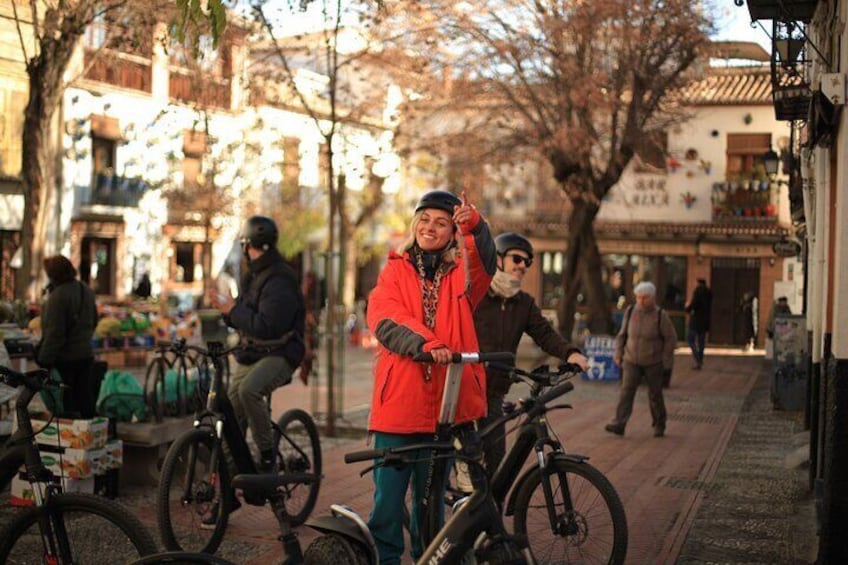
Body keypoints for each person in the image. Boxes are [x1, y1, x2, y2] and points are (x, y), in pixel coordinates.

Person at [365, 189, 495, 564]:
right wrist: (428, 344)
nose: (430, 227)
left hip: (442, 411)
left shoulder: (462, 278)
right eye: (424, 219)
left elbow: (484, 260)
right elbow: (385, 318)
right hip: (397, 409)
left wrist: (473, 226)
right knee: (387, 506)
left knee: (430, 509)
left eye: (441, 222)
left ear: (451, 233)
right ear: (413, 224)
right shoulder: (394, 270)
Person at [473, 232, 588, 476]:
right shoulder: (477, 295)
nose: (523, 266)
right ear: (499, 259)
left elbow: (544, 333)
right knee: (465, 456)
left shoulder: (523, 303)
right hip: (466, 387)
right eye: (517, 259)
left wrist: (571, 354)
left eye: (528, 262)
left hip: (494, 391)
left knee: (495, 458)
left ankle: (489, 509)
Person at [207, 215, 305, 476]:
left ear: (249, 245)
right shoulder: (257, 274)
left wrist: (233, 309)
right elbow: (248, 317)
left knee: (250, 390)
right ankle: (233, 472)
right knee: (231, 403)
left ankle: (266, 454)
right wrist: (228, 310)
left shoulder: (279, 278)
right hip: (254, 351)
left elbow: (267, 326)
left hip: (282, 351)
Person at [605, 281, 677, 438]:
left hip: (653, 362)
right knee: (626, 392)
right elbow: (622, 335)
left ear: (652, 298)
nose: (641, 301)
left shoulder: (660, 315)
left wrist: (665, 359)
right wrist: (618, 354)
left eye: (645, 298)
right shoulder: (631, 311)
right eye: (638, 297)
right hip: (631, 360)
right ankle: (619, 423)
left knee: (655, 395)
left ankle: (659, 424)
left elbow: (670, 339)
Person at [36, 255, 98, 418]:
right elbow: (95, 321)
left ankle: (72, 439)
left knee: (68, 403)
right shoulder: (86, 290)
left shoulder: (58, 297)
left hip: (66, 359)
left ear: (53, 274)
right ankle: (88, 434)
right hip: (86, 354)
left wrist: (44, 360)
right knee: (85, 398)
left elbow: (55, 333)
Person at [684, 278, 712, 370]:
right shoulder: (709, 293)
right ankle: (700, 359)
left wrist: (687, 308)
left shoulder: (698, 292)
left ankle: (698, 359)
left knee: (690, 339)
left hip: (696, 321)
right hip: (705, 321)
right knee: (701, 343)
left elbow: (693, 305)